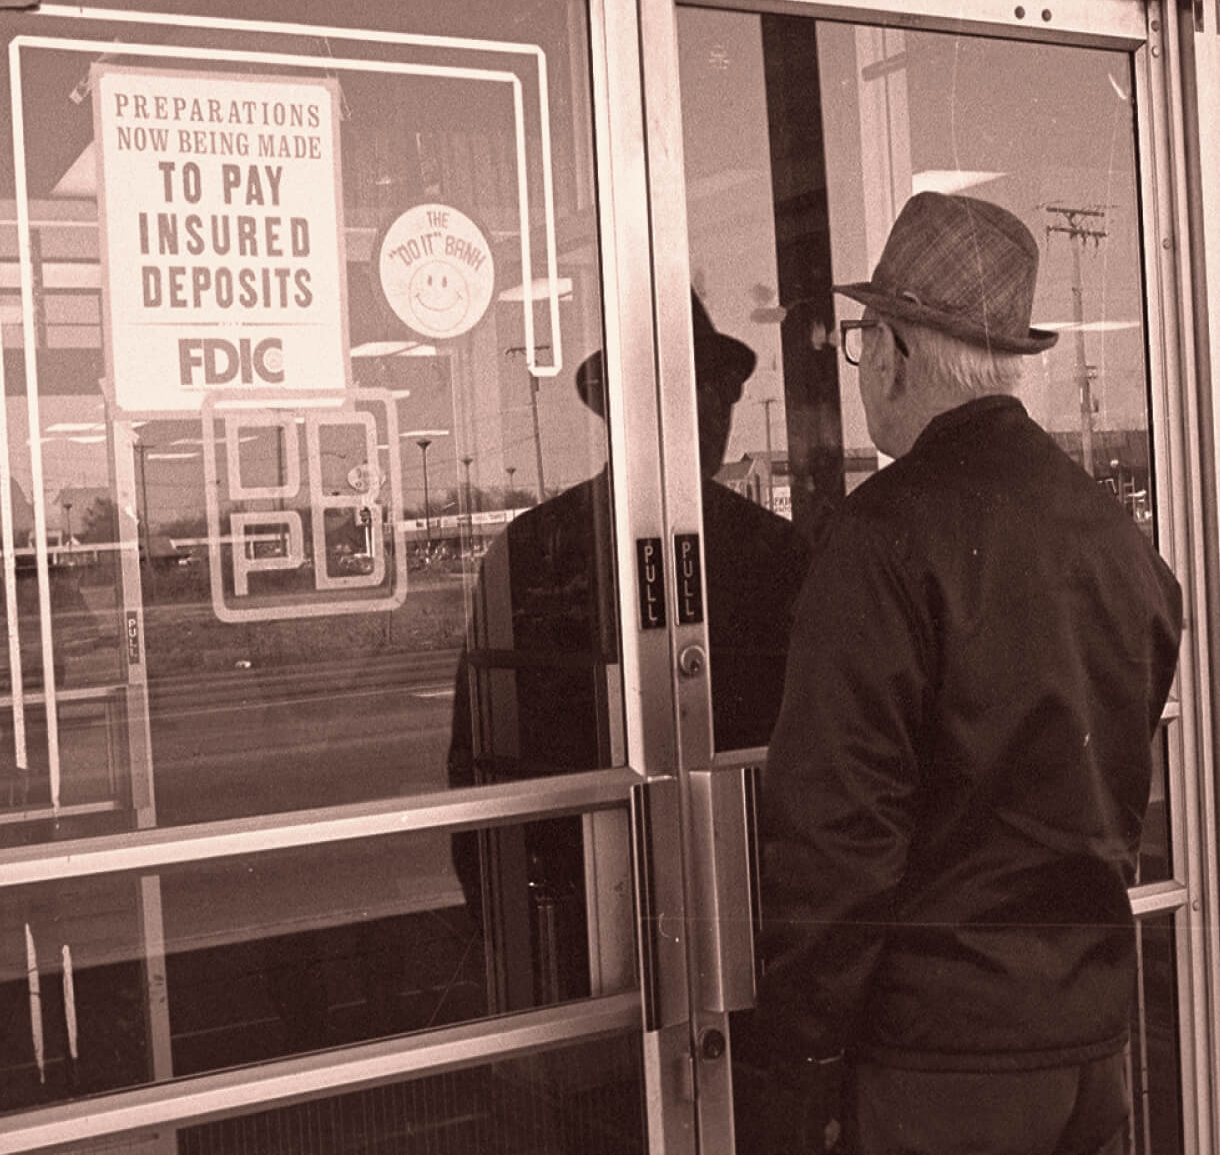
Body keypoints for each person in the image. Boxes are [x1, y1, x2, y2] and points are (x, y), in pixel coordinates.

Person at [753, 192, 1183, 1155]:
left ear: (900, 350)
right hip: (1088, 1052)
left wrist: (800, 1065)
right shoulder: (1120, 542)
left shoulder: (882, 538)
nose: (862, 373)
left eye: (865, 344)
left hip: (936, 1070)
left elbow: (836, 838)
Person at [448, 292, 808, 997]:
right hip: (580, 935)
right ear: (620, 412)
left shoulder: (778, 556)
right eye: (680, 391)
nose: (708, 412)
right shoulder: (532, 552)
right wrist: (516, 940)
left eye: (716, 391)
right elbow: (480, 768)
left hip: (743, 935)